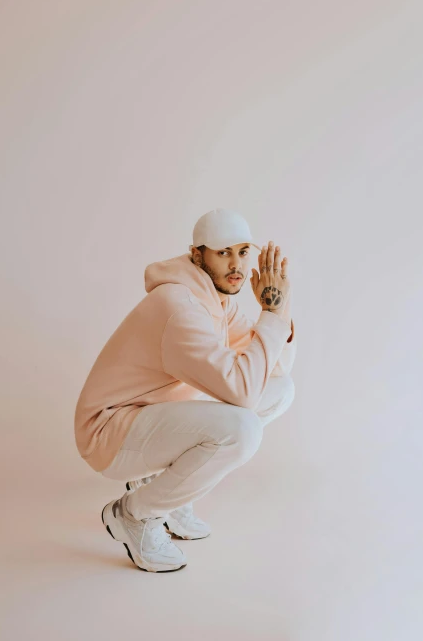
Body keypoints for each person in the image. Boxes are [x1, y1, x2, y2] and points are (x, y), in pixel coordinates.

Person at [74, 208, 297, 572]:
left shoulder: (216, 300)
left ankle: (170, 496)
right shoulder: (182, 306)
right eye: (222, 252)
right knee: (242, 429)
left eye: (243, 251)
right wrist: (269, 316)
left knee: (281, 389)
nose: (235, 264)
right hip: (109, 433)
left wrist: (278, 308)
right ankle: (135, 514)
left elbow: (274, 369)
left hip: (152, 418)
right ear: (198, 255)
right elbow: (240, 392)